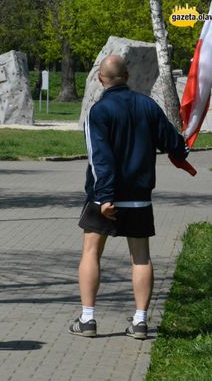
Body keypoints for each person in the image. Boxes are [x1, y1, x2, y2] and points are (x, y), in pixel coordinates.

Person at [68, 55, 190, 340]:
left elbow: (100, 158)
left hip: (104, 199)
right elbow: (172, 142)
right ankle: (140, 322)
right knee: (141, 258)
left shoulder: (98, 112)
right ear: (128, 76)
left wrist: (105, 197)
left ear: (101, 79)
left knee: (90, 253)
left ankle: (87, 320)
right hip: (139, 197)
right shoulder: (148, 106)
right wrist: (182, 147)